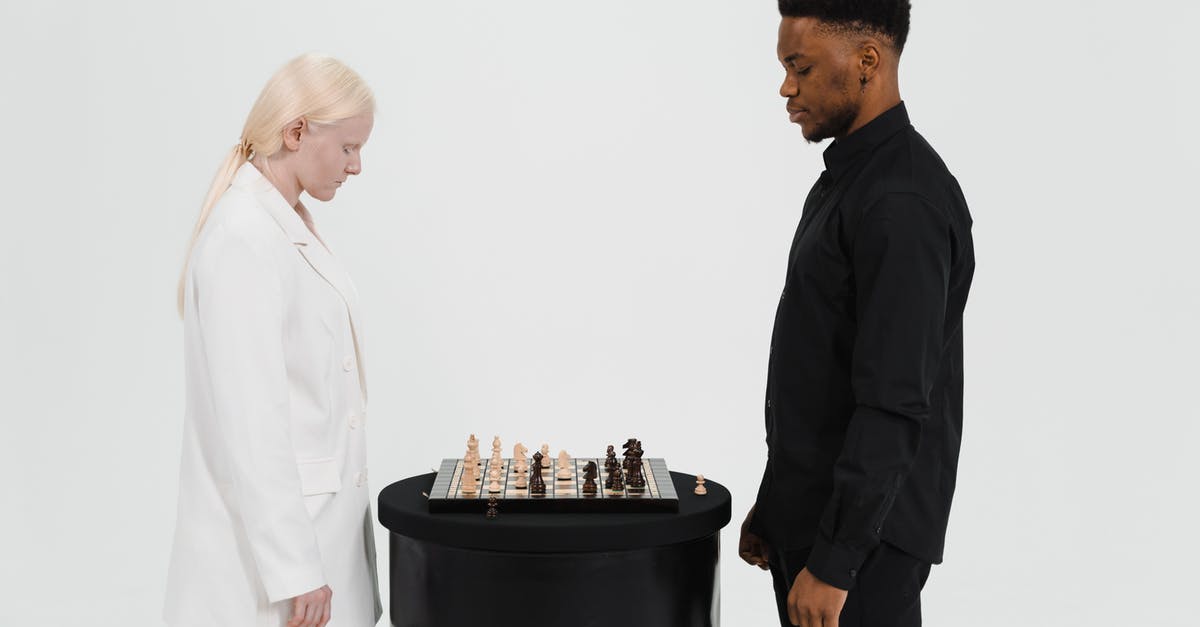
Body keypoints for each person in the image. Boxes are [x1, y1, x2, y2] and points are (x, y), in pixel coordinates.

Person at [740, 2, 976, 626]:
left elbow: (893, 402)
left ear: (867, 61)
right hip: (817, 521)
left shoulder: (902, 201)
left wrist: (837, 562)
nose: (786, 88)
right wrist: (777, 506)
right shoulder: (851, 177)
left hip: (862, 547)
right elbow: (821, 364)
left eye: (801, 66)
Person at [164, 53, 381, 627]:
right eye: (348, 148)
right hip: (272, 573)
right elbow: (252, 420)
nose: (356, 166)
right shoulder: (244, 236)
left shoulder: (283, 223)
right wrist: (296, 569)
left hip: (316, 541)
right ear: (295, 133)